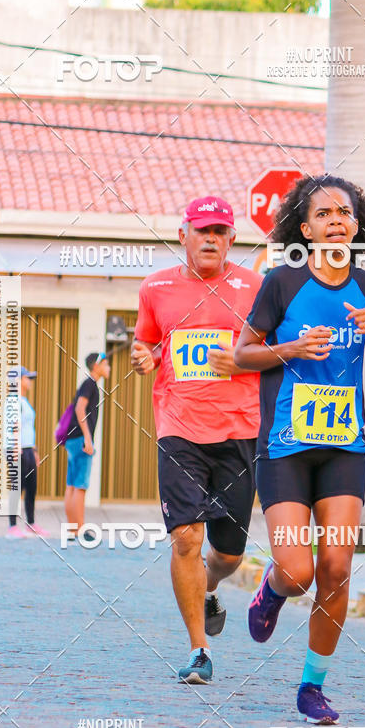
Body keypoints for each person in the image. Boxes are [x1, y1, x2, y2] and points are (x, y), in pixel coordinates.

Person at [234, 174, 365, 722]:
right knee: (299, 570)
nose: (336, 219)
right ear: (305, 229)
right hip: (284, 447)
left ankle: (312, 685)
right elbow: (242, 355)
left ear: (357, 225)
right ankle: (272, 587)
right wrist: (290, 348)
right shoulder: (281, 284)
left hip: (342, 448)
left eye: (345, 212)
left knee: (336, 566)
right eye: (324, 213)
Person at [131, 196, 262, 684]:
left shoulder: (256, 288)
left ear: (231, 240)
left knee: (228, 554)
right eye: (202, 229)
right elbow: (147, 342)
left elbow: (274, 350)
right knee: (186, 537)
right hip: (178, 426)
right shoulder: (156, 287)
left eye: (220, 231)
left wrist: (242, 360)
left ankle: (209, 586)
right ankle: (199, 649)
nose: (211, 238)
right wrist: (143, 357)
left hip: (238, 428)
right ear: (183, 233)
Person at [64, 352, 111, 540]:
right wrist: (88, 439)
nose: (109, 368)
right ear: (96, 366)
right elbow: (79, 408)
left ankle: (72, 530)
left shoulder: (88, 384)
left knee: (71, 485)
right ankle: (80, 529)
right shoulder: (90, 384)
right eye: (106, 364)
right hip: (81, 441)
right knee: (80, 486)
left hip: (73, 439)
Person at [6, 366, 50, 539]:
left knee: (31, 487)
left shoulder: (23, 401)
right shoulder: (13, 400)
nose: (29, 381)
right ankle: (12, 527)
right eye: (27, 378)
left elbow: (28, 428)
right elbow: (14, 426)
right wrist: (16, 449)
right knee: (17, 488)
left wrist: (34, 451)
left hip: (28, 449)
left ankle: (31, 524)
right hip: (17, 450)